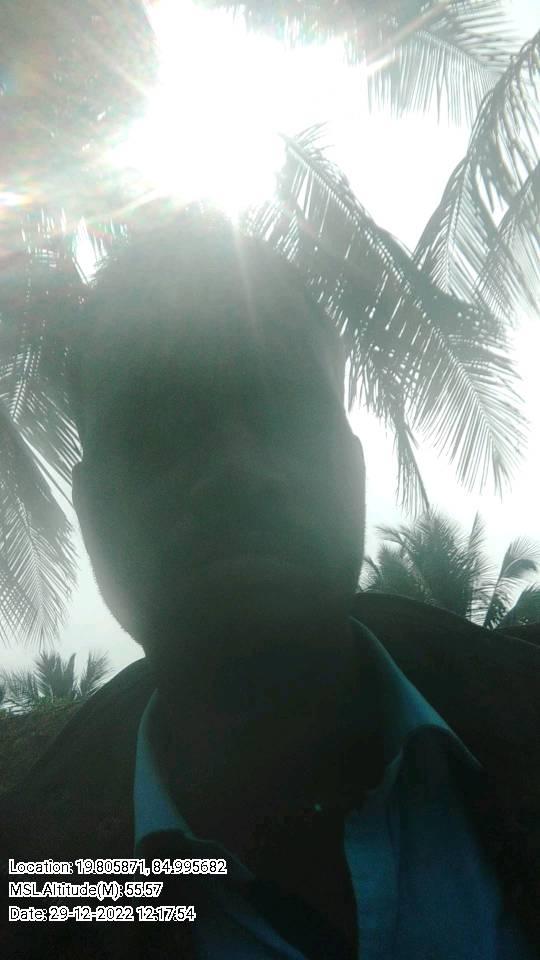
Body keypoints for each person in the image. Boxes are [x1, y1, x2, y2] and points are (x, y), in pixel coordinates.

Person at [1, 204, 539, 959]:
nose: (238, 471)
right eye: (157, 428)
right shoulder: (36, 895)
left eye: (283, 408)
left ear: (352, 467)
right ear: (91, 513)